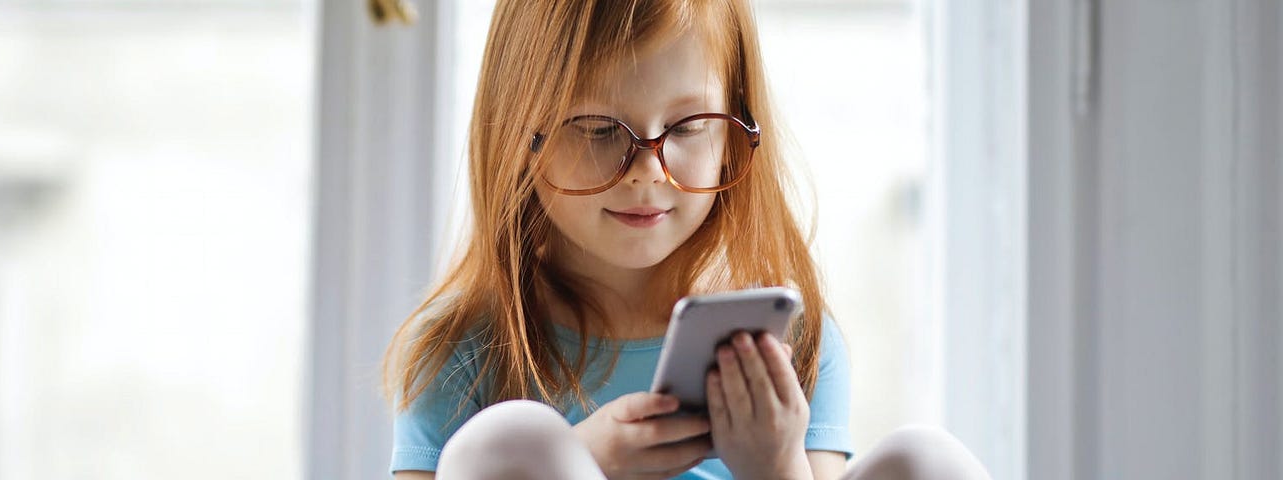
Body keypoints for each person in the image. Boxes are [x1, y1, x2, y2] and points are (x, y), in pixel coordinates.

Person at [381, 1, 992, 478]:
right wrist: (576, 460)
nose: (648, 168)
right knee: (502, 445)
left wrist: (776, 467)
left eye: (690, 126)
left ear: (735, 129)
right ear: (519, 132)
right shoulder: (462, 348)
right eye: (597, 130)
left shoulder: (790, 342)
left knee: (925, 461)